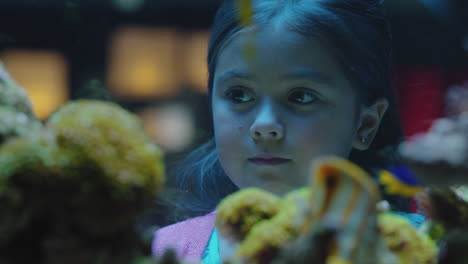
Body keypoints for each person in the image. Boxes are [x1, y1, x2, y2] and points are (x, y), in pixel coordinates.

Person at [153, 0, 405, 262]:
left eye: (302, 97)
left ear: (366, 123)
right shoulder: (164, 251)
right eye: (238, 94)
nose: (264, 125)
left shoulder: (421, 249)